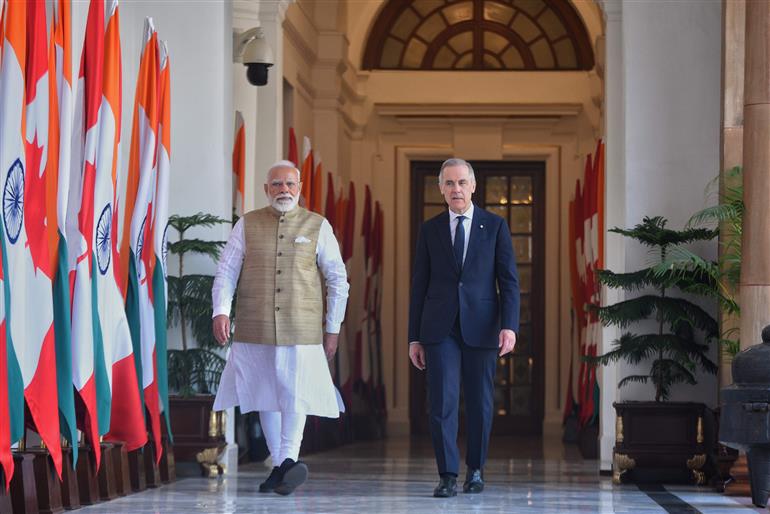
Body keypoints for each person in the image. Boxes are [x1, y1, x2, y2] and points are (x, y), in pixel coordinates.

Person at [212, 160, 349, 495]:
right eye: (277, 184)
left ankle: (285, 461)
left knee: (294, 393)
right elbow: (227, 271)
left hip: (301, 326)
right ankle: (284, 465)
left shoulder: (318, 225)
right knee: (263, 394)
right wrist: (220, 311)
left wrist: (332, 328)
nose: (283, 190)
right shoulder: (247, 224)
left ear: (299, 188)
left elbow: (337, 279)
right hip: (254, 323)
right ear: (265, 189)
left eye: (290, 184)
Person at [408, 158, 520, 498]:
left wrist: (509, 327)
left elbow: (509, 281)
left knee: (480, 402)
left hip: (483, 327)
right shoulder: (430, 229)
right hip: (440, 330)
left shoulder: (495, 225)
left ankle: (476, 470)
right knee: (442, 402)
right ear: (441, 189)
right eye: (449, 183)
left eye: (461, 183)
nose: (456, 189)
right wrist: (414, 336)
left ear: (473, 187)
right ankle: (447, 474)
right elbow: (419, 284)